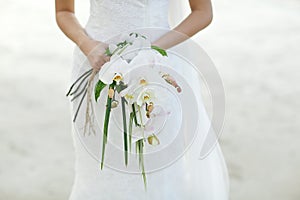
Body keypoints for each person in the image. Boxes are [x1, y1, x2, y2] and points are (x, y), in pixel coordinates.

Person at [55, 0, 229, 199]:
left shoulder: (154, 59)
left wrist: (150, 51)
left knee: (155, 172)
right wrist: (87, 44)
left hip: (155, 69)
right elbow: (63, 11)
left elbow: (203, 12)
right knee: (97, 171)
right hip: (96, 68)